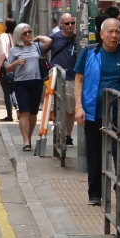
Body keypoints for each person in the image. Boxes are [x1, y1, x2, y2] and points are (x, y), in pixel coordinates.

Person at [74, 18, 120, 205]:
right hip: (93, 112)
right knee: (95, 154)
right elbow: (78, 79)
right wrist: (78, 106)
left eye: (117, 31)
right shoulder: (89, 52)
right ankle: (95, 194)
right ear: (101, 34)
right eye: (109, 31)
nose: (113, 35)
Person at [7, 23, 51, 152]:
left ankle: (29, 137)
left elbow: (49, 41)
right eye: (25, 33)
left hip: (36, 82)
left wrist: (38, 37)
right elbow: (7, 68)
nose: (28, 35)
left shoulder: (37, 46)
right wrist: (16, 63)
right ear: (18, 36)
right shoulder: (14, 50)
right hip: (21, 83)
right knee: (24, 112)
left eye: (29, 32)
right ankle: (26, 141)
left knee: (33, 114)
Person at [48, 13, 80, 145]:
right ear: (61, 24)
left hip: (72, 79)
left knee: (70, 109)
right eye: (67, 23)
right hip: (56, 78)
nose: (70, 26)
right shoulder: (54, 38)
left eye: (72, 23)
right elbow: (42, 50)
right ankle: (58, 133)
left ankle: (68, 136)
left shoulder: (79, 39)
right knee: (56, 107)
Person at [0, 18, 19, 122]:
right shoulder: (16, 36)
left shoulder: (3, 36)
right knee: (13, 89)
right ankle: (18, 109)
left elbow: (3, 53)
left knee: (7, 91)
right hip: (17, 65)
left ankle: (9, 115)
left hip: (6, 65)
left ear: (6, 26)